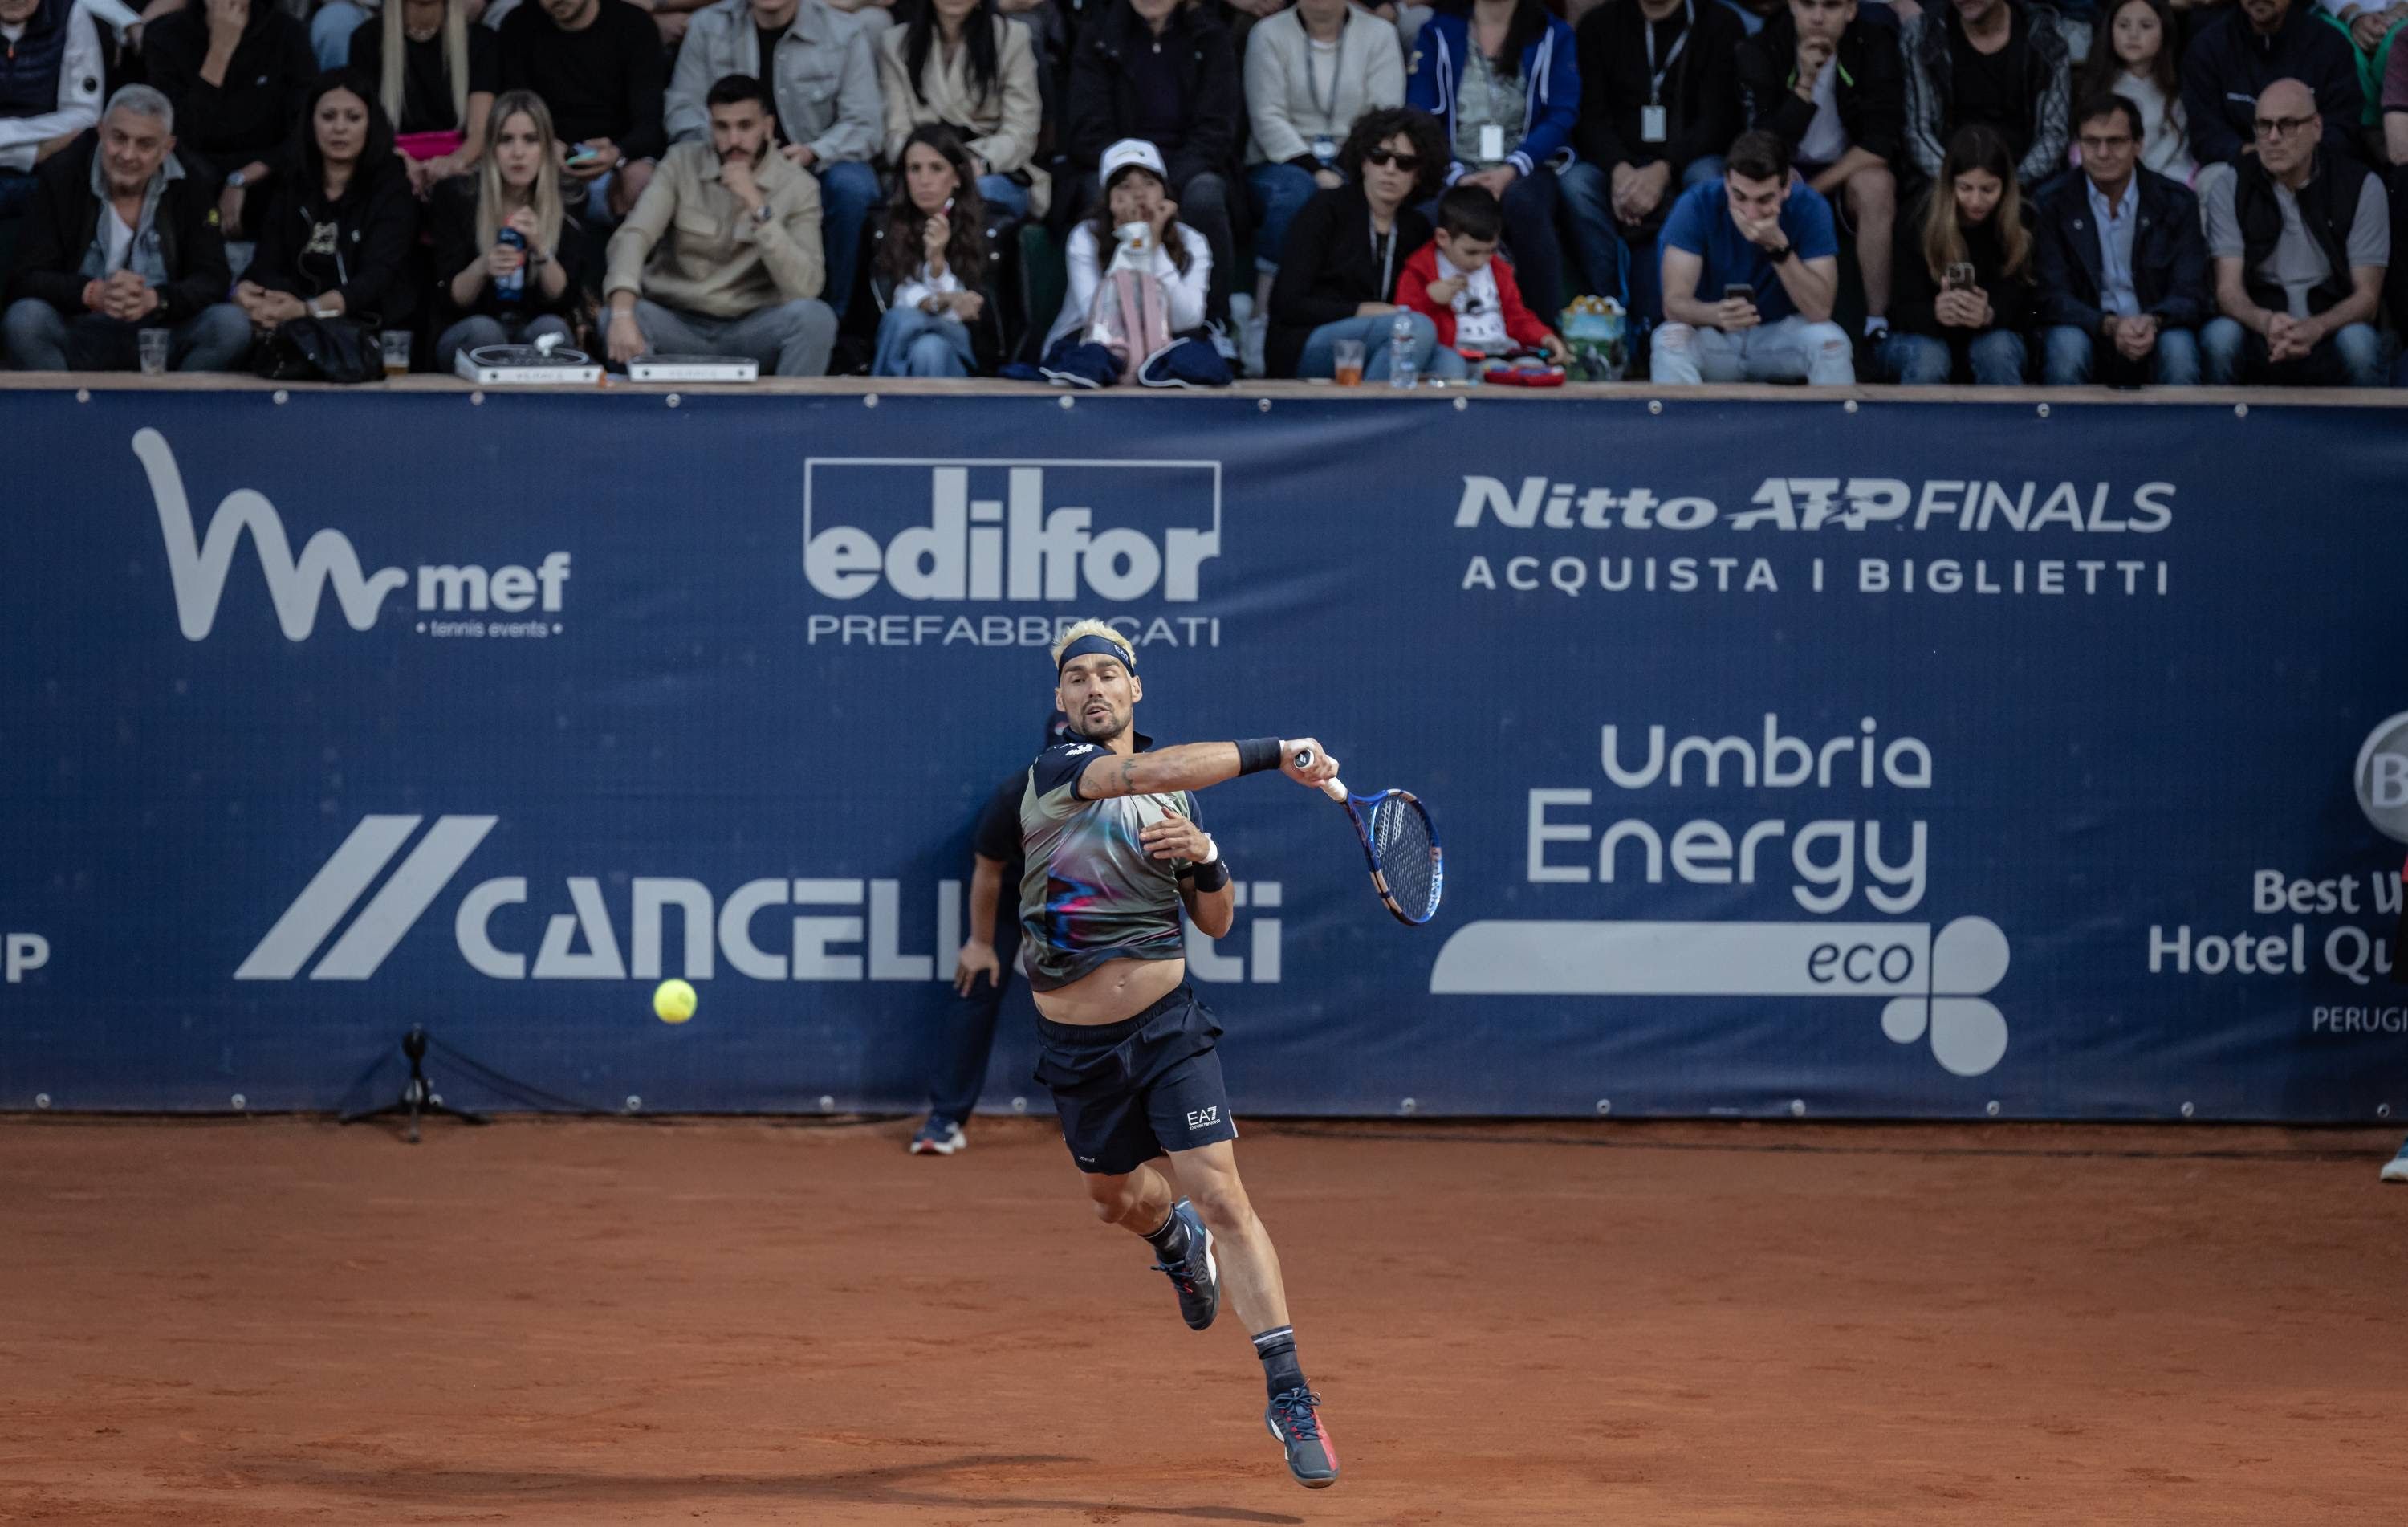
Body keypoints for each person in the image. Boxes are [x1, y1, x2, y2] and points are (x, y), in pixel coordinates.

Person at [1016, 618, 1344, 1489]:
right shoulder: (1058, 776)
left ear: (1134, 690)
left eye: (1107, 675)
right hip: (1078, 1047)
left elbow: (1215, 922)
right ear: (1060, 700)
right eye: (1076, 676)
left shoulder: (1180, 804)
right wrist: (1278, 751)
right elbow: (1146, 770)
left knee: (1224, 1189)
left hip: (1167, 1030)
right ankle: (1170, 1237)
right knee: (1113, 1195)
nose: (1092, 687)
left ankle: (1289, 1389)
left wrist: (1207, 856)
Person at [910, 708, 1075, 1157]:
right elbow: (987, 870)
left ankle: (1113, 1119)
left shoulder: (1122, 793)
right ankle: (945, 1119)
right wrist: (981, 944)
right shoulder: (1015, 795)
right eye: (1060, 750)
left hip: (1080, 905)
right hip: (1010, 900)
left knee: (1116, 999)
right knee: (976, 982)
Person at [604, 74, 840, 375]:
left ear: (767, 127)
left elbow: (806, 287)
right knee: (615, 316)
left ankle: (786, 421)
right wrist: (622, 311)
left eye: (745, 126)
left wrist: (758, 206)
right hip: (678, 322)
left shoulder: (798, 187)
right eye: (722, 127)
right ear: (710, 126)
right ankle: (656, 418)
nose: (734, 140)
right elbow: (635, 235)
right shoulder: (680, 163)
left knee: (815, 319)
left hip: (753, 327)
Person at [3, 85, 250, 370]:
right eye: (119, 138)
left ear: (166, 149)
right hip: (80, 332)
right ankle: (65, 413)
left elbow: (213, 278)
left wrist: (155, 300)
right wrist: (92, 293)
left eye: (145, 144)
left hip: (161, 336)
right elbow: (26, 278)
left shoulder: (193, 182)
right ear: (101, 131)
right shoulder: (62, 175)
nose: (128, 155)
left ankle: (179, 413)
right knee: (24, 321)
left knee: (230, 326)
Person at [669, 0, 883, 318]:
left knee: (853, 186)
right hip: (730, 162)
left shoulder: (844, 32)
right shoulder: (708, 26)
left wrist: (814, 151)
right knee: (678, 171)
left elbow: (865, 124)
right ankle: (706, 316)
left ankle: (833, 321)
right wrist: (729, 148)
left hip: (811, 167)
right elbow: (682, 111)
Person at [1242, 0, 1406, 362]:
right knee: (1293, 195)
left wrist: (1351, 165)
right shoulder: (1267, 34)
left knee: (1390, 187)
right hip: (1284, 158)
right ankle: (1264, 318)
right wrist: (1317, 169)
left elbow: (1384, 113)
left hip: (1361, 154)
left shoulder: (1379, 35)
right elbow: (1267, 116)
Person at [1560, 0, 1746, 320]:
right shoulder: (1599, 24)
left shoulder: (1718, 22)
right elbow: (1590, 116)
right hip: (1618, 164)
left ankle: (1700, 305)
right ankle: (1608, 306)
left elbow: (1718, 119)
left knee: (1709, 181)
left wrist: (1662, 170)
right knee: (1576, 184)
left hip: (1686, 159)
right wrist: (1619, 169)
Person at [1736, 0, 1905, 346]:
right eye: (1807, 4)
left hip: (1847, 169)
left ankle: (1876, 322)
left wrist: (1812, 189)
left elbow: (1880, 142)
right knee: (1754, 185)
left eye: (1830, 6)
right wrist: (1805, 85)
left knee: (1878, 186)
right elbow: (1762, 144)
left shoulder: (1874, 44)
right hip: (1782, 168)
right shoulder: (1763, 47)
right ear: (1792, 6)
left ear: (1851, 10)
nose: (1817, 17)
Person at [1065, 0, 1244, 326]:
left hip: (1188, 166)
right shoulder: (1099, 36)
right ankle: (1104, 320)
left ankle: (1215, 322)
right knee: (1098, 192)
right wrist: (1133, 179)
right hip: (1116, 163)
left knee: (1205, 195)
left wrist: (1159, 185)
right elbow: (1087, 127)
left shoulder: (1210, 37)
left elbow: (1217, 129)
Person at [2200, 75, 2390, 383]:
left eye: (2287, 125)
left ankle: (2365, 431)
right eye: (2263, 125)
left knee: (2360, 344)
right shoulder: (2232, 185)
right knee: (2220, 338)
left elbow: (2366, 298)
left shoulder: (2360, 186)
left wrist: (2316, 328)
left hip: (2330, 323)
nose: (2272, 138)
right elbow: (2228, 291)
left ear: (2316, 128)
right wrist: (2266, 322)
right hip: (2261, 324)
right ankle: (2215, 431)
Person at [1405, 0, 1581, 318]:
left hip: (1526, 166)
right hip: (1454, 166)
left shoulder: (1554, 34)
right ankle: (1432, 330)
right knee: (1431, 216)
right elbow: (1421, 110)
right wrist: (1456, 173)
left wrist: (1512, 168)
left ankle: (1544, 331)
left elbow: (1562, 113)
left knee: (1523, 206)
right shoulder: (1438, 32)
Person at [1265, 104, 1466, 377]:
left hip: (1386, 338)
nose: (1390, 169)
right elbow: (1286, 303)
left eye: (1405, 162)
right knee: (1413, 329)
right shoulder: (1326, 210)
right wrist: (1361, 311)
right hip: (1305, 341)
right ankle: (1371, 417)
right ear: (1363, 162)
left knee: (1451, 364)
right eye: (1379, 157)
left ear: (1419, 173)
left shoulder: (1415, 227)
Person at [1651, 127, 1856, 381]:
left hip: (1778, 335)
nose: (1751, 213)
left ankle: (1833, 423)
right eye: (1740, 196)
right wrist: (1715, 314)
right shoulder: (1696, 204)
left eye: (1764, 199)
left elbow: (1820, 310)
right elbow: (1674, 304)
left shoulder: (1810, 207)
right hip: (1716, 337)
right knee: (1669, 341)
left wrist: (1778, 248)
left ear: (1786, 186)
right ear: (1727, 182)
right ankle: (1685, 423)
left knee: (1832, 343)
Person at [2036, 91, 2207, 382]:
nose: (2103, 153)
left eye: (2115, 141)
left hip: (2158, 324)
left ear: (2138, 145)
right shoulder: (2052, 203)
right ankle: (2063, 431)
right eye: (2091, 142)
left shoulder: (2177, 202)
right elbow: (2052, 295)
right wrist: (2109, 325)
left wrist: (2153, 321)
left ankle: (2185, 430)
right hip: (2088, 326)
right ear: (2078, 147)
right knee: (2067, 347)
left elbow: (2191, 291)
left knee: (2179, 350)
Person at [234, 72, 421, 339]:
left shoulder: (392, 186)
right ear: (311, 123)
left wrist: (308, 309)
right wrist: (255, 295)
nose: (339, 128)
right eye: (328, 116)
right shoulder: (292, 181)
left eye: (353, 117)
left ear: (371, 125)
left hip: (368, 330)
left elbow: (377, 277)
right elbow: (266, 262)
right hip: (293, 324)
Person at [429, 89, 585, 371]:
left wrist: (539, 248)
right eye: (506, 140)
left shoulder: (568, 199)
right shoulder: (457, 197)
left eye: (530, 140)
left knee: (552, 330)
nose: (518, 153)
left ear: (546, 149)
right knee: (485, 333)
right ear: (490, 148)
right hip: (467, 328)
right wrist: (482, 267)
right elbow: (448, 298)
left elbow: (563, 298)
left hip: (532, 328)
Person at [141, 0, 315, 235]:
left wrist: (242, 178)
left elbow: (304, 129)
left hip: (268, 179)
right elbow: (179, 135)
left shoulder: (288, 34)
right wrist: (220, 52)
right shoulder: (164, 36)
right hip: (192, 183)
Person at [1878, 123, 2032, 381]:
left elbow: (2032, 308)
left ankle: (2005, 423)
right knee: (1929, 357)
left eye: (1988, 190)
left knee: (1998, 350)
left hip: (1992, 337)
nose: (1975, 201)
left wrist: (1990, 313)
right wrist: (1935, 313)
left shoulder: (2022, 222)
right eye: (1965, 188)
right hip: (1925, 338)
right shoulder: (1917, 219)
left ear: (2006, 187)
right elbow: (1898, 310)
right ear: (1950, 184)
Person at [494, 0, 666, 226]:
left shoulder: (633, 24)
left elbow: (650, 123)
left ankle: (628, 259)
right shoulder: (519, 24)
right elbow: (515, 107)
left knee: (641, 179)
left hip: (616, 160)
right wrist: (545, 144)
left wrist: (618, 153)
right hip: (545, 156)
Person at [879, 0, 1051, 222]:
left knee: (979, 192)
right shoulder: (896, 43)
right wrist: (931, 165)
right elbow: (896, 131)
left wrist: (969, 164)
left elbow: (1021, 131)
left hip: (990, 165)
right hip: (921, 161)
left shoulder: (1011, 37)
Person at [1039, 136, 1213, 355]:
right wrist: (1133, 240)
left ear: (1164, 191)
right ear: (1109, 198)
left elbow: (1186, 320)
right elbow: (1100, 320)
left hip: (1162, 340)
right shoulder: (1086, 236)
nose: (1139, 195)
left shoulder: (1192, 241)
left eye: (1149, 183)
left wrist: (1155, 244)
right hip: (1090, 340)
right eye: (1125, 186)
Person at [2180, 0, 2363, 185]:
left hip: (2314, 166)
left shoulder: (2329, 45)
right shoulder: (2209, 46)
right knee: (2214, 179)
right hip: (2241, 165)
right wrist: (2257, 154)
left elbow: (2342, 125)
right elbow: (2206, 133)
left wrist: (2295, 158)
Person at [1902, 0, 2072, 193]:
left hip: (2025, 177)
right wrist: (1965, 184)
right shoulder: (1924, 35)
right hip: (1948, 175)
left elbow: (2053, 133)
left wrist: (2007, 186)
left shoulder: (2046, 33)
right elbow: (1917, 130)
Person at [1397, 181, 1573, 356]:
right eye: (1471, 252)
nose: (1480, 262)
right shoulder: (1420, 270)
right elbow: (1402, 324)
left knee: (1533, 368)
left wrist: (1545, 337)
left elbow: (1517, 318)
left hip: (1503, 353)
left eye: (1490, 251)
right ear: (1443, 238)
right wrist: (1429, 299)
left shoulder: (1498, 270)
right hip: (1454, 356)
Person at [871, 124, 995, 374]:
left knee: (902, 320)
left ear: (958, 176)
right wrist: (944, 300)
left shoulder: (990, 228)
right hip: (922, 352)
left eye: (936, 168)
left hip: (968, 355)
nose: (924, 180)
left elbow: (975, 313)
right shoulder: (883, 227)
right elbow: (894, 298)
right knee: (928, 349)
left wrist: (937, 262)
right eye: (914, 169)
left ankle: (881, 401)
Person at [348, 0, 498, 197]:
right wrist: (400, 163)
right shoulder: (366, 40)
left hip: (460, 169)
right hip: (390, 164)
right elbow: (366, 127)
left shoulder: (482, 41)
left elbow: (480, 131)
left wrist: (453, 162)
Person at [0, 0, 104, 221]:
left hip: (48, 169)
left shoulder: (69, 14)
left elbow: (85, 115)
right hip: (40, 149)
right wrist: (29, 154)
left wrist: (7, 133)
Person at [2077, 0, 2195, 183]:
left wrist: (2143, 176)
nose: (2133, 34)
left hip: (2164, 175)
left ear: (2165, 31)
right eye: (2123, 25)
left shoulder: (2174, 88)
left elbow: (2174, 143)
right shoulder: (2098, 86)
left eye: (2145, 26)